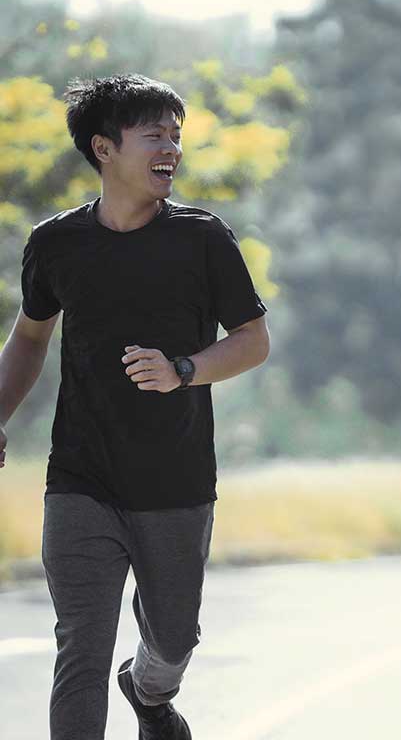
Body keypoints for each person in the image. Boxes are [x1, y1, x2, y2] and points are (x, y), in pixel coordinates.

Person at [0, 74, 271, 739]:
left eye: (177, 136)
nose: (172, 150)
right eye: (155, 135)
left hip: (175, 483)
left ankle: (149, 695)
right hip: (81, 479)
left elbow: (253, 342)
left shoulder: (202, 240)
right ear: (103, 149)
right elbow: (29, 337)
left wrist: (184, 371)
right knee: (81, 652)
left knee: (173, 640)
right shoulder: (56, 244)